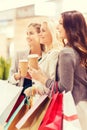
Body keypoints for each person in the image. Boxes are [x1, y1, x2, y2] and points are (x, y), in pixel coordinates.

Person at [27, 11, 87, 130]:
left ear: (70, 27)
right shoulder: (81, 50)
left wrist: (41, 78)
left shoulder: (66, 52)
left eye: (60, 23)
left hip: (73, 111)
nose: (57, 27)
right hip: (83, 107)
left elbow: (64, 88)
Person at [24, 19, 63, 99]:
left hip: (47, 103)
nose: (39, 34)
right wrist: (33, 76)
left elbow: (54, 87)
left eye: (43, 31)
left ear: (52, 33)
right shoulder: (48, 54)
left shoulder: (54, 54)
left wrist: (34, 89)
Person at [8, 23, 44, 91]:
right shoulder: (19, 55)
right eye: (27, 34)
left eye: (31, 33)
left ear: (40, 35)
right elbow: (9, 81)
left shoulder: (47, 56)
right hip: (22, 99)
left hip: (40, 98)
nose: (28, 36)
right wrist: (17, 76)